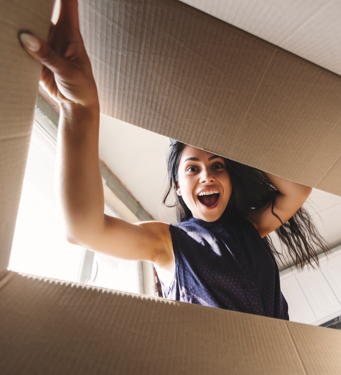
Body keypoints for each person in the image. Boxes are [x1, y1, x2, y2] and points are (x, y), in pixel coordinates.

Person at [19, 0, 328, 320]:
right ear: (179, 187)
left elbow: (297, 191)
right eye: (192, 169)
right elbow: (85, 230)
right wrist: (79, 108)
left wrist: (238, 135)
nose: (207, 175)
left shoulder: (250, 227)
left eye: (218, 165)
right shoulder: (166, 242)